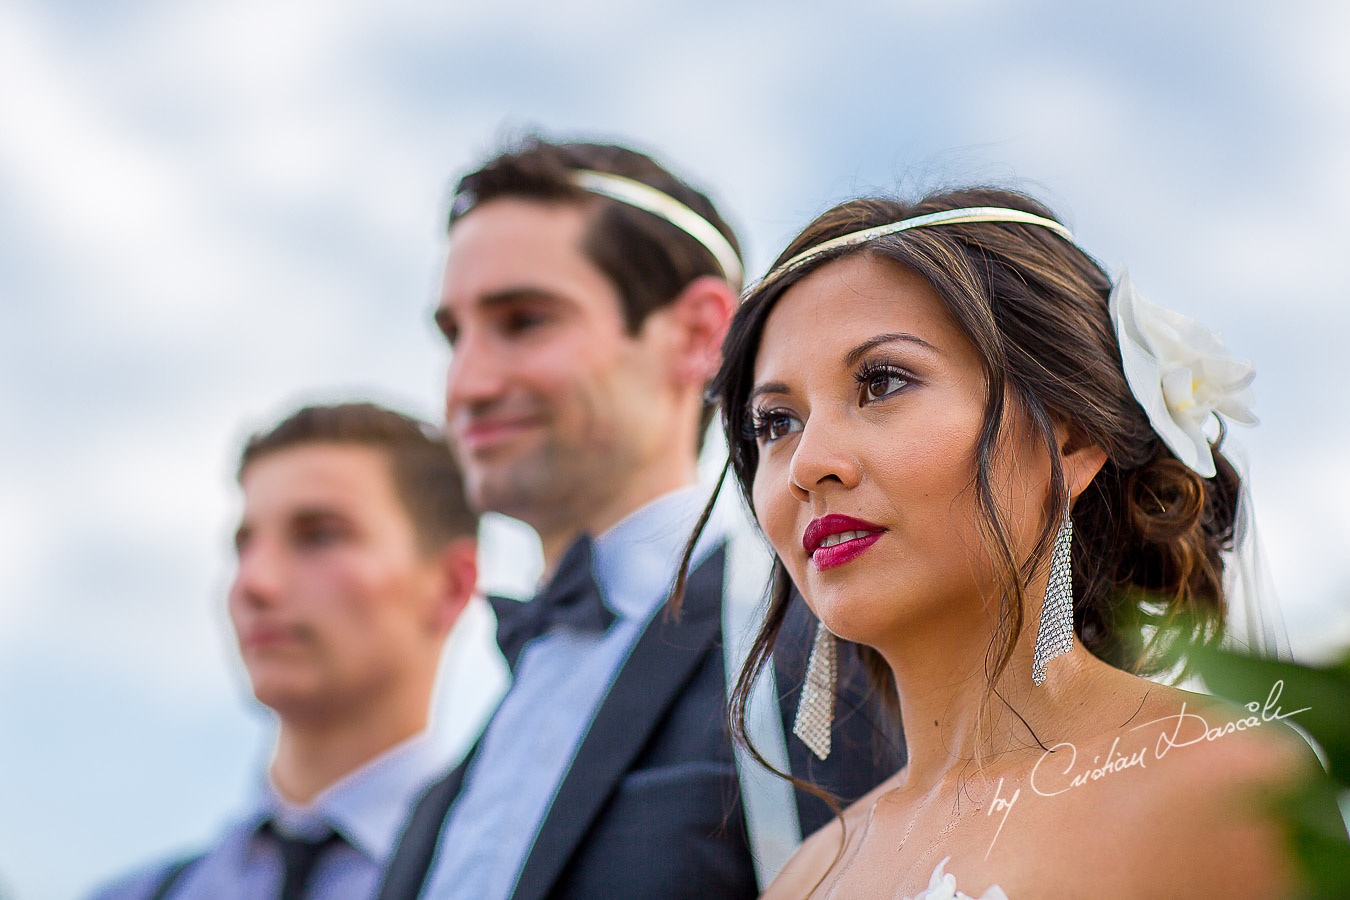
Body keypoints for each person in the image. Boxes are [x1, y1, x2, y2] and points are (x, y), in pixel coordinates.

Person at [701, 187, 1338, 899]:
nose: (809, 463)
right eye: (775, 423)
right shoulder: (805, 877)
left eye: (881, 383)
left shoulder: (1223, 786)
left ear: (1069, 436)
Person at [381, 137, 902, 900]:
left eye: (524, 321)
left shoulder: (824, 646)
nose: (467, 384)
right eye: (454, 335)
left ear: (697, 334)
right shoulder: (453, 776)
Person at [92, 402, 479, 900]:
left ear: (451, 585)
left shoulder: (513, 879)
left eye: (319, 536)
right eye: (244, 546)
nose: (255, 583)